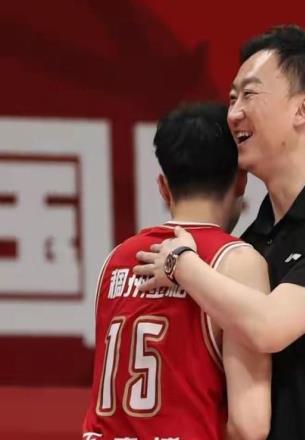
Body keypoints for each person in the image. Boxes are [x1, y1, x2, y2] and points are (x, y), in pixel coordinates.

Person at [135, 25, 305, 439]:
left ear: (302, 109)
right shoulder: (250, 243)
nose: (233, 114)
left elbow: (270, 327)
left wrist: (181, 264)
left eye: (249, 94)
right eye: (232, 98)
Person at [83, 102, 271, 440]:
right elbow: (249, 426)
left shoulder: (115, 261)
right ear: (241, 181)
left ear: (163, 186)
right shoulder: (237, 262)